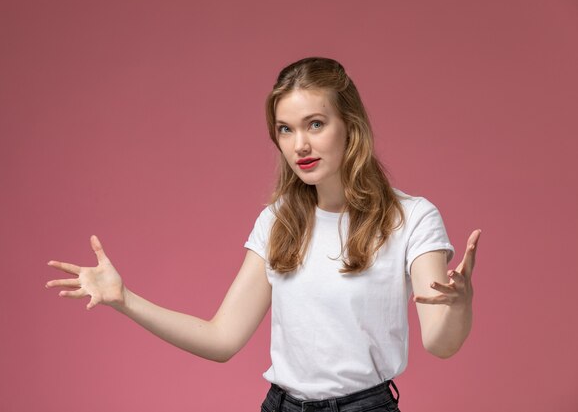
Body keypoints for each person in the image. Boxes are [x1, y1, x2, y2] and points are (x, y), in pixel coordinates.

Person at [46, 57, 480, 412]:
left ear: (350, 126)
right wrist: (125, 300)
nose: (299, 146)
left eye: (315, 124)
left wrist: (459, 305)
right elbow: (221, 339)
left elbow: (440, 343)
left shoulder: (412, 218)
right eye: (286, 129)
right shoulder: (278, 221)